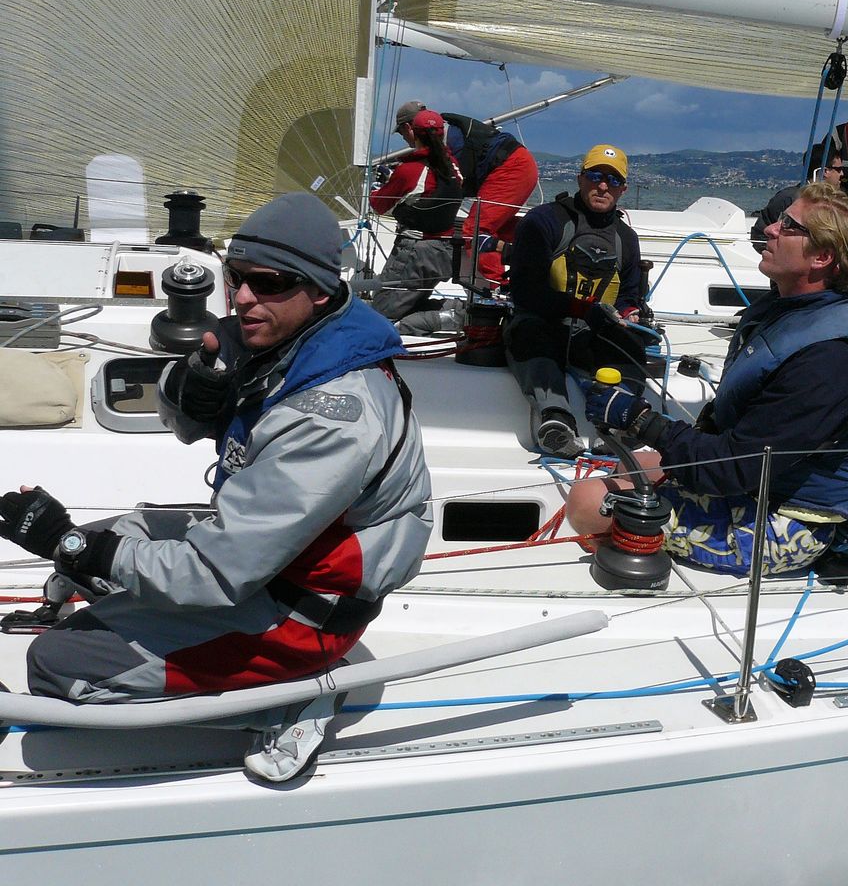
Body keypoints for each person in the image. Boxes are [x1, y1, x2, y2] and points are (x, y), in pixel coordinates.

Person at [0, 192, 432, 781]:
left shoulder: (334, 417)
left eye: (270, 282)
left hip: (300, 611)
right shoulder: (283, 338)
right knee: (100, 545)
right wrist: (196, 388)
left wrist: (66, 543)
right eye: (236, 277)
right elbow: (187, 428)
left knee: (57, 665)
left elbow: (216, 573)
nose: (245, 297)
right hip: (269, 562)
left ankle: (288, 701)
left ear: (319, 289)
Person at [570, 183, 848, 575]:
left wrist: (642, 420)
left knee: (586, 501)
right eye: (779, 219)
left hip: (790, 521)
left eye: (789, 226)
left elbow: (734, 469)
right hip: (756, 482)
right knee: (629, 468)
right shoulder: (791, 310)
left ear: (822, 257)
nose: (771, 229)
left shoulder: (836, 356)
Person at [503, 143, 648, 459]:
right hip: (544, 323)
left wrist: (629, 312)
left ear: (623, 189)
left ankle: (620, 422)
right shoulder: (543, 221)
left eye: (613, 180)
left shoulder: (626, 239)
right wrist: (580, 309)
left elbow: (629, 294)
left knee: (632, 346)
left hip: (593, 332)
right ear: (580, 178)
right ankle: (556, 420)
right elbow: (526, 291)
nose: (603, 186)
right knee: (528, 334)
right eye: (596, 176)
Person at [394, 100, 540, 288]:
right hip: (519, 163)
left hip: (511, 168)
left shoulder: (448, 140)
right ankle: (544, 241)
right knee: (500, 226)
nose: (404, 139)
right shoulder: (448, 132)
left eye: (402, 133)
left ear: (409, 127)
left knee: (475, 229)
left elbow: (451, 183)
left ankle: (498, 288)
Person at [369, 107, 463, 330]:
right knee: (411, 300)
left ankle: (457, 315)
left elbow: (379, 205)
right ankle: (455, 311)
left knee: (379, 318)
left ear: (413, 132)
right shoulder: (453, 166)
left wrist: (376, 188)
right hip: (444, 252)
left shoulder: (411, 170)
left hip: (415, 253)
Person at [751, 153, 843, 252]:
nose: (842, 174)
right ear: (825, 171)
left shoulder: (833, 201)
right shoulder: (788, 198)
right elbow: (760, 235)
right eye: (839, 169)